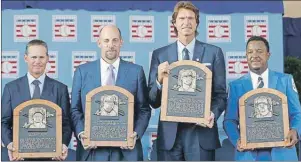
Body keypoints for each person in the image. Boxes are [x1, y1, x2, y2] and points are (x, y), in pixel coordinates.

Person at [148, 1, 227, 160]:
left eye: (191, 18)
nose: (187, 22)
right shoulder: (160, 55)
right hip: (170, 136)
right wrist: (159, 80)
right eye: (182, 18)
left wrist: (212, 113)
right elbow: (152, 101)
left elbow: (220, 95)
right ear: (174, 23)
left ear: (197, 22)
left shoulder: (214, 53)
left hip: (201, 134)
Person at [70, 25, 151, 161]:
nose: (111, 45)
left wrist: (135, 134)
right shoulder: (82, 72)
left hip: (127, 153)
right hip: (92, 152)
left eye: (115, 40)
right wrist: (82, 133)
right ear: (99, 43)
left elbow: (144, 110)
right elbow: (74, 109)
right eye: (106, 41)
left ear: (121, 42)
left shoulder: (136, 72)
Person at [223, 36, 301, 161]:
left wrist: (295, 130)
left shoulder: (285, 80)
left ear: (268, 55)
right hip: (249, 155)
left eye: (259, 51)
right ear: (246, 56)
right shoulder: (235, 86)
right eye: (250, 52)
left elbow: (297, 113)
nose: (254, 55)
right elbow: (229, 120)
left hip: (282, 153)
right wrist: (237, 140)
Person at [1, 39, 72, 161]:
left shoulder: (60, 89)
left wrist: (63, 144)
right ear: (25, 58)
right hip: (19, 156)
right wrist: (10, 144)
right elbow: (4, 122)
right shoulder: (10, 88)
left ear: (48, 58)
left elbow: (66, 124)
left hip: (51, 157)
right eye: (33, 57)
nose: (37, 61)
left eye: (41, 57)